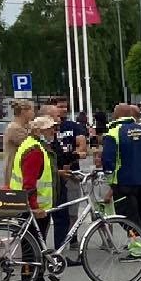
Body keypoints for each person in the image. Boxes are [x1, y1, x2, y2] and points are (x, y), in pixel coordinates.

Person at [8, 115, 60, 281]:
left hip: (24, 203)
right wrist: (35, 206)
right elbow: (29, 183)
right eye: (50, 128)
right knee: (33, 245)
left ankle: (33, 280)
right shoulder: (35, 150)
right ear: (40, 131)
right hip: (32, 206)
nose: (54, 131)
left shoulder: (30, 145)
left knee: (33, 243)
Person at [100, 103, 141, 257]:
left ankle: (138, 250)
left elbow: (108, 160)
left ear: (117, 115)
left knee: (129, 217)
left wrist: (109, 178)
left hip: (123, 182)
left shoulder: (113, 133)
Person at [45, 96, 90, 258]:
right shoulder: (47, 130)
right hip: (52, 176)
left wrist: (72, 158)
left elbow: (82, 148)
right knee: (53, 214)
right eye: (59, 106)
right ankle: (50, 248)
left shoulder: (74, 126)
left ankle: (71, 239)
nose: (63, 109)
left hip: (71, 173)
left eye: (65, 107)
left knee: (71, 210)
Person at [0, 98, 33, 176]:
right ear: (24, 112)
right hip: (14, 169)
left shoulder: (25, 127)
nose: (33, 113)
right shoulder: (14, 128)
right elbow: (30, 145)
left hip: (21, 168)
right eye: (32, 110)